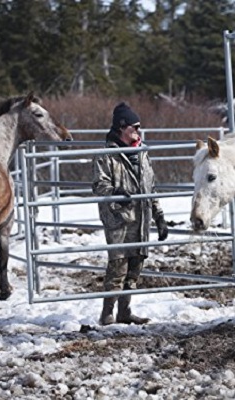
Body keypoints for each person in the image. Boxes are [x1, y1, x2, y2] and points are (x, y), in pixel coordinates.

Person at [92, 102, 169, 325]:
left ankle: (125, 311)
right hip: (120, 220)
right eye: (133, 127)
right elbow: (99, 185)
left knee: (135, 267)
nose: (137, 131)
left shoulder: (142, 153)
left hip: (142, 220)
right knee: (118, 267)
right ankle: (107, 312)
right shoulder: (106, 155)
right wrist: (116, 192)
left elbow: (150, 187)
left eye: (138, 126)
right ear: (120, 128)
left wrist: (159, 216)